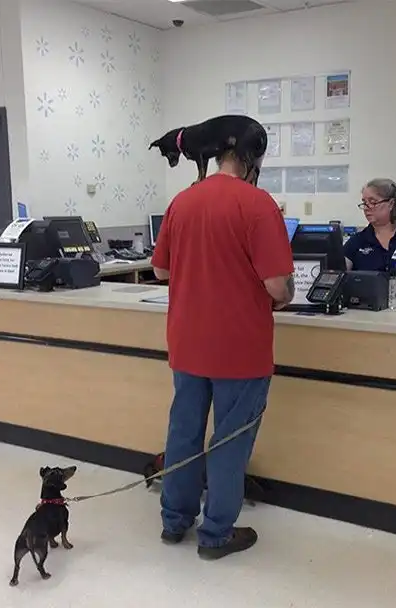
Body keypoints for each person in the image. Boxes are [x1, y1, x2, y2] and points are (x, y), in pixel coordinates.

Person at [150, 149, 295, 560]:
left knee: (184, 432)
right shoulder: (257, 203)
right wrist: (285, 294)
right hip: (239, 347)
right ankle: (215, 534)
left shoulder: (183, 200)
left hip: (187, 342)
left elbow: (161, 270)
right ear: (252, 161)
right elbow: (277, 285)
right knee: (230, 439)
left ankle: (174, 521)